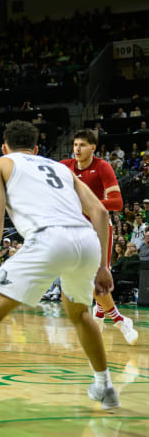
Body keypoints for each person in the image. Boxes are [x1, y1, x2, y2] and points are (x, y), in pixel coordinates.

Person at [0, 121, 119, 426]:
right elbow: (102, 213)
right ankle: (105, 388)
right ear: (36, 149)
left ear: (4, 147)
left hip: (49, 239)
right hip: (87, 240)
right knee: (79, 314)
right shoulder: (61, 168)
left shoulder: (0, 165)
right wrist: (104, 265)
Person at [60, 129, 138, 345]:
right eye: (75, 144)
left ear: (93, 148)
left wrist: (89, 205)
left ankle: (116, 319)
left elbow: (117, 203)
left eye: (82, 145)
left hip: (99, 228)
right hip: (74, 229)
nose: (77, 149)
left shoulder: (102, 167)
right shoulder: (66, 166)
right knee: (86, 281)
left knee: (97, 280)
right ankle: (104, 316)